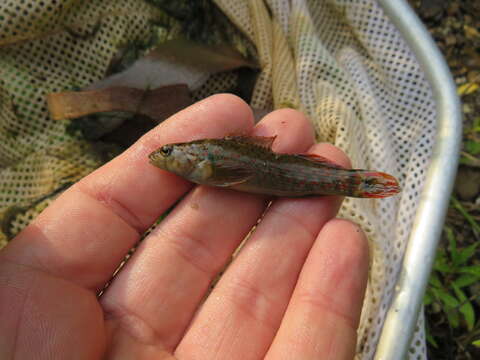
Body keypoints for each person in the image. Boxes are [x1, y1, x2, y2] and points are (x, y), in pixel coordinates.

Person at [0, 94, 368, 359]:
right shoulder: (204, 163)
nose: (161, 157)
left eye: (170, 152)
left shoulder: (208, 162)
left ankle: (350, 181)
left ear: (195, 157)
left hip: (292, 172)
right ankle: (350, 181)